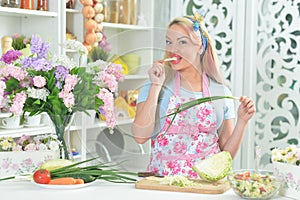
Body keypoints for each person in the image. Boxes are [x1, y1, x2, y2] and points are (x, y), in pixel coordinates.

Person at [131, 9, 256, 178]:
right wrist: (155, 86)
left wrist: (242, 121)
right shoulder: (154, 85)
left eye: (182, 42)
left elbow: (225, 156)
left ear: (200, 47)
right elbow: (140, 137)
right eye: (168, 42)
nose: (173, 49)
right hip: (163, 187)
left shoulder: (221, 92)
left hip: (205, 188)